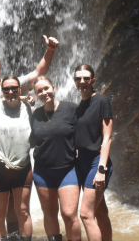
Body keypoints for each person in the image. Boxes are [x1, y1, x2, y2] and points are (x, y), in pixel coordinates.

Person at [0, 35, 59, 237]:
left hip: (20, 161)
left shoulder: (13, 85)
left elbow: (39, 73)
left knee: (19, 209)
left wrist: (50, 50)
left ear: (0, 70)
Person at [31, 76, 82, 241]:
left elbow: (86, 130)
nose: (44, 92)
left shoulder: (71, 109)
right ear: (35, 94)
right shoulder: (36, 115)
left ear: (53, 87)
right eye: (39, 91)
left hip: (68, 169)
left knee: (69, 214)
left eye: (46, 88)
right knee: (49, 212)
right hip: (42, 171)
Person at [0, 76, 34, 241]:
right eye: (6, 89)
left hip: (23, 167)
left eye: (14, 88)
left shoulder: (28, 109)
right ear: (2, 91)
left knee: (24, 212)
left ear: (20, 89)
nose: (10, 92)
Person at [73, 65, 114, 241]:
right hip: (81, 162)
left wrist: (101, 169)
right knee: (100, 211)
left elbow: (107, 138)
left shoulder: (102, 101)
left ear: (93, 81)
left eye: (86, 78)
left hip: (97, 162)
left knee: (85, 214)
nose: (82, 82)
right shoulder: (80, 106)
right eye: (78, 79)